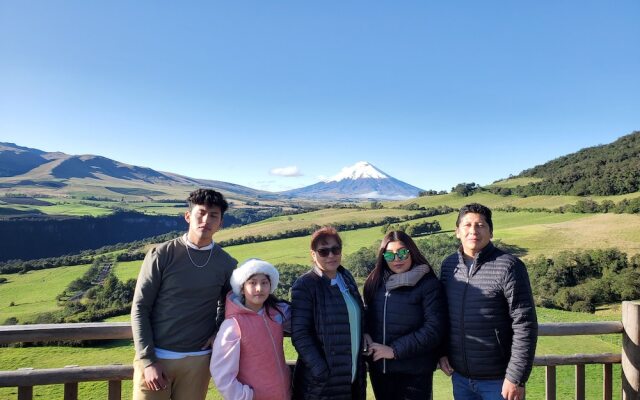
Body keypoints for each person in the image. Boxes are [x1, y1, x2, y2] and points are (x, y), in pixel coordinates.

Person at [131, 188, 238, 400]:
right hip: (156, 357)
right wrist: (148, 360)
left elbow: (229, 305)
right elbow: (140, 307)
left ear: (221, 223)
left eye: (214, 215)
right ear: (188, 216)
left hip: (198, 361)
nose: (206, 220)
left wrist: (218, 331)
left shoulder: (226, 263)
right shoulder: (161, 254)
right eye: (201, 213)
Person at [438, 203, 538, 400]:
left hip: (499, 381)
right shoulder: (449, 266)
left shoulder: (509, 266)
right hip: (460, 377)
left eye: (480, 225)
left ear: (491, 232)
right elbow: (442, 313)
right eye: (467, 225)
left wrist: (516, 377)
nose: (473, 231)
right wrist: (442, 352)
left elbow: (525, 324)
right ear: (457, 231)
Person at [363, 231, 447, 400]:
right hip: (380, 372)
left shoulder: (428, 284)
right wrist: (364, 332)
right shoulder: (376, 284)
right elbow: (367, 314)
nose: (397, 259)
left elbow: (434, 329)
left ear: (412, 252)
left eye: (402, 252)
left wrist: (394, 350)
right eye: (389, 254)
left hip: (414, 372)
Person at [291, 226, 367, 399]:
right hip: (321, 384)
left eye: (335, 249)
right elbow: (300, 334)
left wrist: (366, 332)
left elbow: (357, 313)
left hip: (353, 375)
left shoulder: (346, 277)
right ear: (313, 255)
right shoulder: (305, 285)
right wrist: (321, 371)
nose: (331, 255)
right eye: (323, 252)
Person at [210, 258, 292, 400]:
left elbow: (303, 319)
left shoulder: (277, 313)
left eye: (264, 283)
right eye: (252, 283)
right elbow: (221, 373)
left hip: (284, 393)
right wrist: (245, 396)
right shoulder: (233, 325)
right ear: (242, 287)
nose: (259, 288)